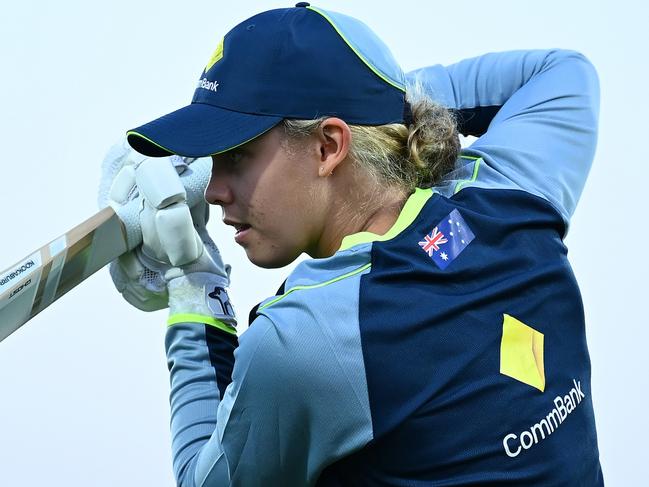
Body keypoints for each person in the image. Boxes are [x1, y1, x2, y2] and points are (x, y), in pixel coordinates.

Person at [101, 3, 603, 486]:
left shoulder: (305, 339)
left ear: (328, 147)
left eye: (237, 156)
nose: (213, 191)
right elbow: (562, 72)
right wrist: (381, 105)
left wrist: (194, 286)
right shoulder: (510, 190)